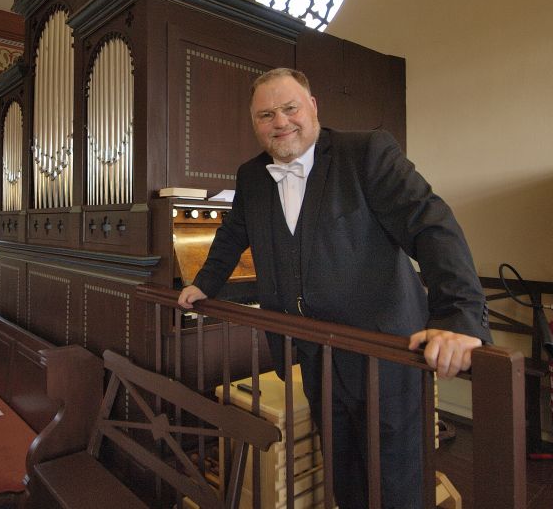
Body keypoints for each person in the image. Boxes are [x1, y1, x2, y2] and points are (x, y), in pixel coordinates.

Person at [177, 68, 491, 509]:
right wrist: (202, 284)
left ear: (313, 107)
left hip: (387, 352)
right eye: (266, 114)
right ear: (254, 122)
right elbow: (232, 236)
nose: (280, 122)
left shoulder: (366, 152)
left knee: (397, 480)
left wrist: (457, 316)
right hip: (313, 354)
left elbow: (430, 225)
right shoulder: (251, 177)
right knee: (344, 472)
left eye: (290, 108)